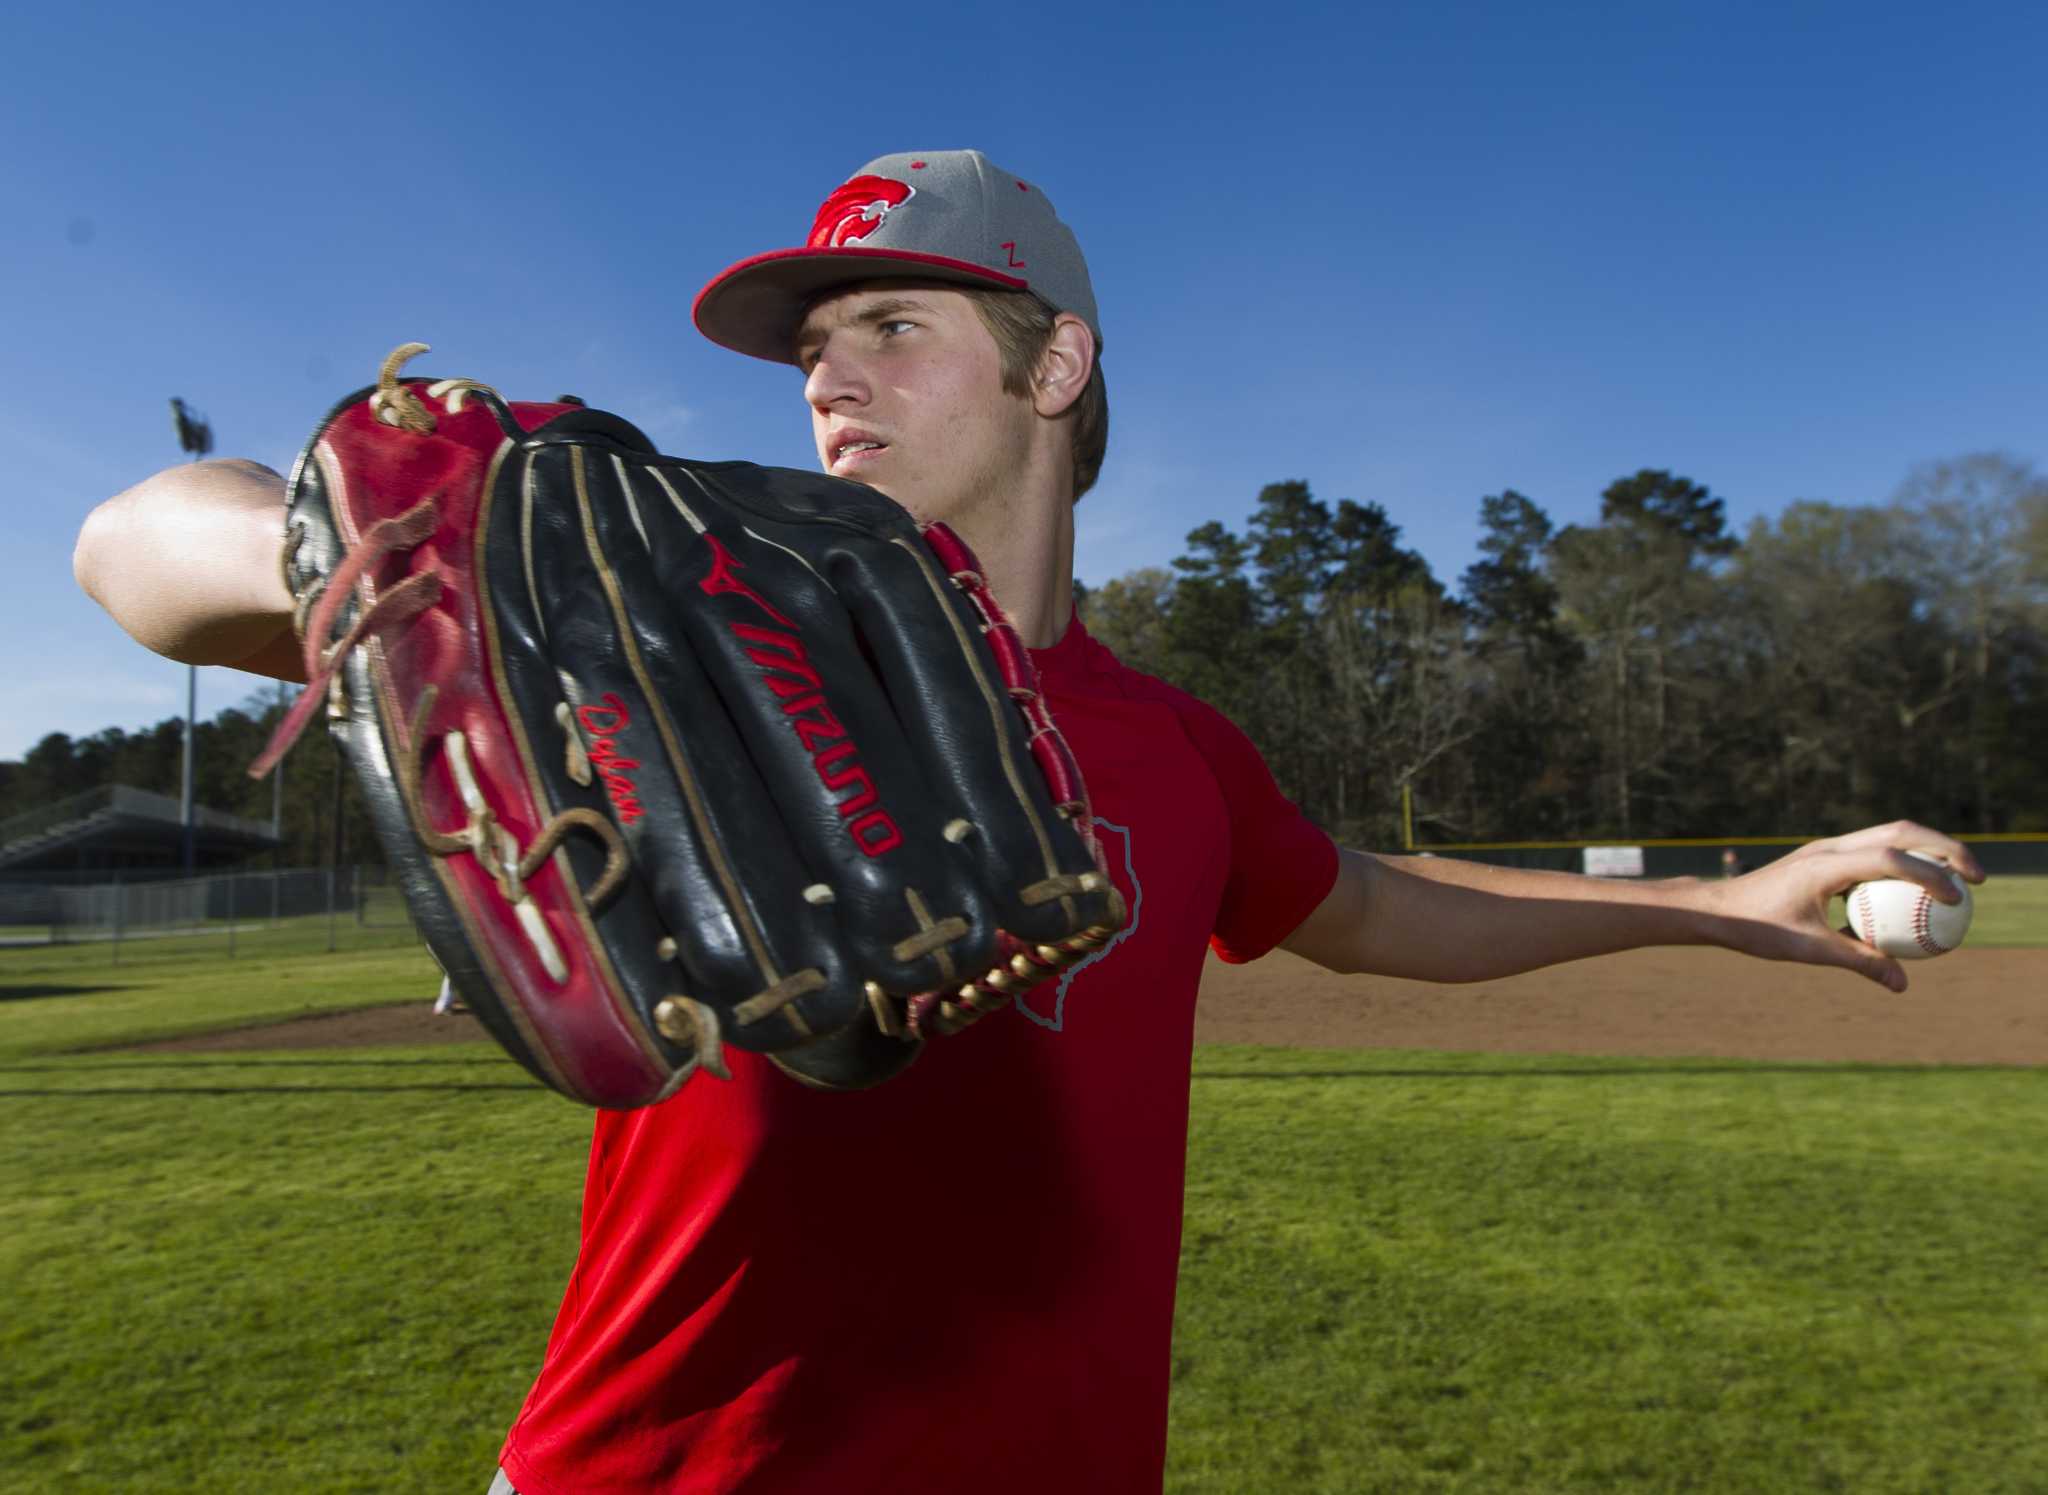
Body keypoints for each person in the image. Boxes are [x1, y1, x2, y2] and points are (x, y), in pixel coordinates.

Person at [76, 150, 1983, 1495]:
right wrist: (379, 556)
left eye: (891, 323)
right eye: (817, 338)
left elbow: (1382, 909)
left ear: (1053, 368)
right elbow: (133, 544)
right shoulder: (673, 603)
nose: (829, 369)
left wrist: (1738, 896)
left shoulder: (1175, 744)